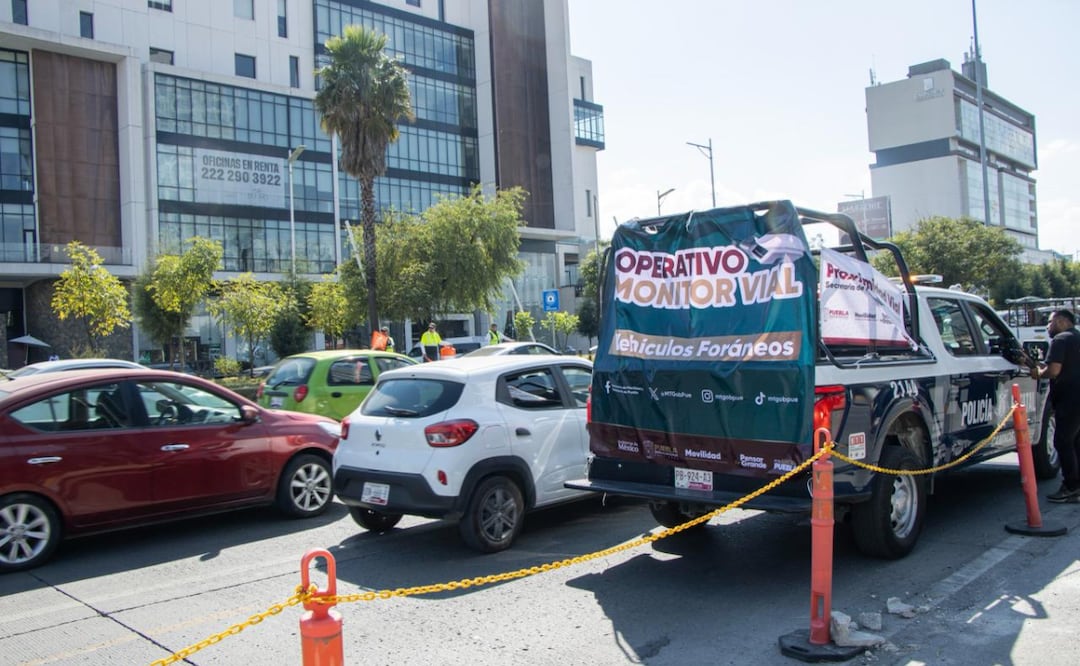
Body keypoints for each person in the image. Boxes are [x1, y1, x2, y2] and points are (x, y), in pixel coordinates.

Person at [1031, 309, 1080, 502]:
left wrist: (1038, 373)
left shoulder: (1060, 341)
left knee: (1062, 441)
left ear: (1061, 321)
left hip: (1069, 399)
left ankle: (1070, 486)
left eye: (1049, 322)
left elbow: (1053, 370)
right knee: (1076, 442)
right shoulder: (1077, 337)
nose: (1047, 326)